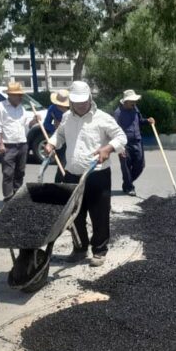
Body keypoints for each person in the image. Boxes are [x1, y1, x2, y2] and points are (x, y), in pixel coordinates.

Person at [44, 81, 127, 266]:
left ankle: (99, 250)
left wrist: (108, 148)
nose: (81, 105)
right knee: (74, 215)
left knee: (99, 214)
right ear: (71, 101)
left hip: (97, 174)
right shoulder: (67, 117)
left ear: (90, 97)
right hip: (72, 173)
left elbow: (121, 137)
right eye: (77, 102)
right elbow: (60, 134)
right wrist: (51, 144)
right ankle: (80, 248)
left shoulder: (103, 118)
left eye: (84, 101)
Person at [0, 82, 40, 201]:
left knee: (20, 172)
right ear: (10, 95)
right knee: (8, 173)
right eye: (18, 95)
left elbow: (26, 124)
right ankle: (8, 197)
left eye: (21, 95)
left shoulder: (21, 108)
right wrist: (0, 143)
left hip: (22, 144)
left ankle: (17, 196)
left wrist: (34, 120)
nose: (20, 97)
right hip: (8, 145)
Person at [113, 89, 154, 196]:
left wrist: (147, 121)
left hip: (138, 141)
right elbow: (114, 131)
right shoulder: (118, 113)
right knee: (126, 166)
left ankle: (127, 182)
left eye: (135, 101)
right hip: (124, 144)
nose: (134, 103)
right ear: (125, 101)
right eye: (132, 101)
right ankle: (129, 187)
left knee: (140, 165)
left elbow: (140, 121)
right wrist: (119, 147)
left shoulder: (135, 109)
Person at [44, 89, 70, 182]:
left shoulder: (73, 109)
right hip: (60, 139)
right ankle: (58, 184)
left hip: (72, 139)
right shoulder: (52, 108)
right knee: (61, 165)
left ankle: (69, 185)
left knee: (71, 166)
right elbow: (46, 124)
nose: (60, 106)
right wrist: (55, 128)